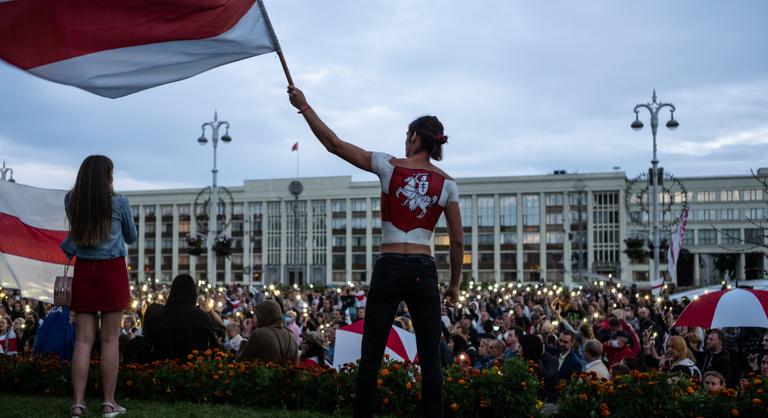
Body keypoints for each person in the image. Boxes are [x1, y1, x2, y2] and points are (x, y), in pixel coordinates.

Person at [288, 86, 463, 418]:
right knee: (429, 356)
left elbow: (334, 144)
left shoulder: (389, 166)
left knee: (371, 354)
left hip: (390, 265)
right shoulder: (448, 183)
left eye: (407, 135)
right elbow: (457, 242)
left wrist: (305, 107)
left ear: (414, 137)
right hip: (423, 269)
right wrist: (454, 285)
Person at [60, 155, 137, 418]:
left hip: (85, 269)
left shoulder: (72, 201)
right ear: (108, 177)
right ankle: (108, 403)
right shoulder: (120, 203)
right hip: (112, 271)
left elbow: (79, 233)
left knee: (83, 340)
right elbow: (132, 237)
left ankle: (78, 404)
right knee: (110, 340)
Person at [144, 274, 219, 361]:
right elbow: (213, 345)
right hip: (194, 368)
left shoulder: (161, 314)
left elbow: (149, 343)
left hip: (164, 369)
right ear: (192, 292)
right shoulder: (200, 315)